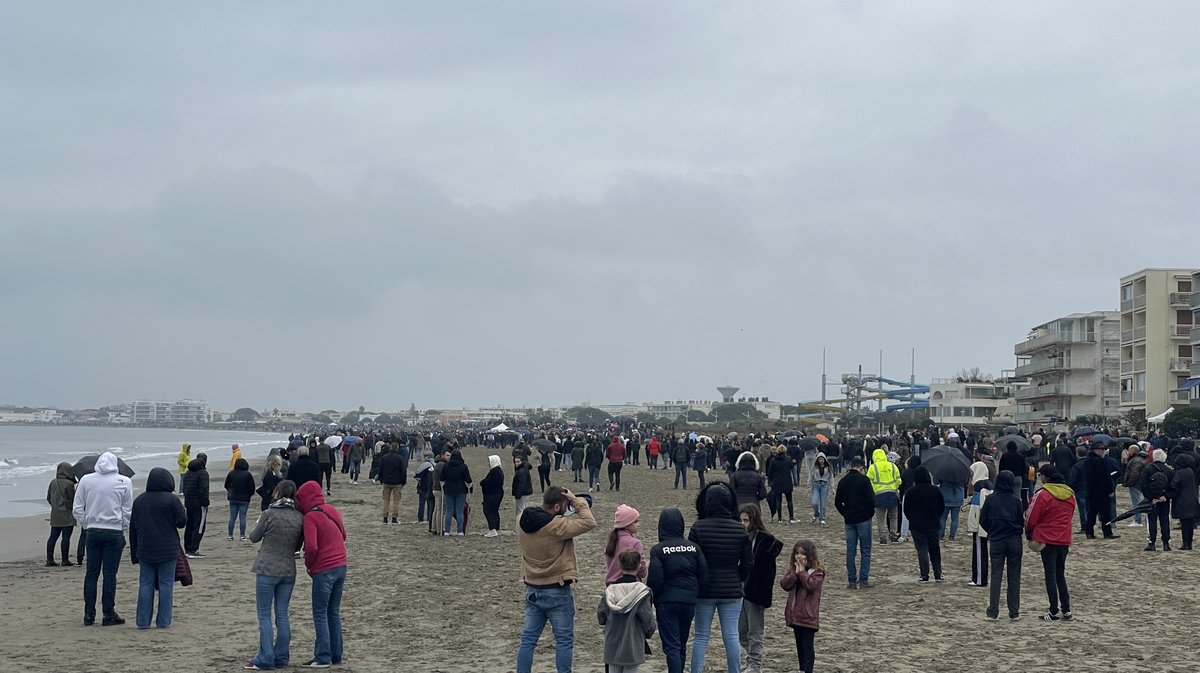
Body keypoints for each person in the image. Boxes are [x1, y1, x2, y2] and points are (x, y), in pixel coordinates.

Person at [516, 486, 597, 673]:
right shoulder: (557, 526)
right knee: (564, 641)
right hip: (557, 588)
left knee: (528, 640)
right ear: (558, 508)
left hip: (532, 587)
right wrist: (576, 500)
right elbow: (589, 521)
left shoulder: (521, 520)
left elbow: (540, 516)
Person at [688, 482, 753, 673]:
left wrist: (701, 580)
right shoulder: (739, 529)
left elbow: (692, 560)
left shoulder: (698, 528)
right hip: (732, 589)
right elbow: (749, 562)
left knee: (700, 636)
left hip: (705, 590)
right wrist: (738, 577)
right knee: (731, 636)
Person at [245, 479, 305, 670]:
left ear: (278, 493)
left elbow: (254, 537)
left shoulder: (269, 513)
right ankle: (281, 656)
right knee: (282, 614)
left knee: (264, 615)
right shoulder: (299, 517)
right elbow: (298, 545)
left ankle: (265, 657)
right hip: (288, 569)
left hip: (267, 568)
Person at [73, 451, 134, 626]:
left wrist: (87, 524)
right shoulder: (124, 481)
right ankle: (108, 613)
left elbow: (77, 508)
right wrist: (122, 528)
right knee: (110, 574)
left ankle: (89, 614)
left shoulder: (86, 480)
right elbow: (127, 511)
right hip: (114, 531)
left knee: (91, 574)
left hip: (92, 531)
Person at [647, 507, 708, 673]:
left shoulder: (658, 550)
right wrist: (695, 594)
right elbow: (703, 575)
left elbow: (655, 579)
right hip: (688, 601)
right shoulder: (694, 548)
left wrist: (653, 599)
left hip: (666, 602)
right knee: (681, 643)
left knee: (672, 646)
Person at [296, 480, 348, 668]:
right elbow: (343, 535)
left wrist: (309, 565)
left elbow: (311, 546)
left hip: (324, 569)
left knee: (319, 613)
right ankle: (336, 654)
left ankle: (323, 657)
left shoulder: (310, 516)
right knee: (333, 612)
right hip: (341, 565)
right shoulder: (331, 510)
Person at [128, 467, 186, 630]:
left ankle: (142, 621)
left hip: (145, 549)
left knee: (145, 584)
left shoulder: (139, 501)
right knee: (166, 585)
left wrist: (134, 554)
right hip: (168, 549)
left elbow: (133, 529)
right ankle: (163, 621)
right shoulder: (172, 500)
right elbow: (182, 522)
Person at [1025, 465, 1075, 621]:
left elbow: (1031, 517)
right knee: (1060, 574)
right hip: (1064, 538)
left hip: (1046, 538)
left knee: (1050, 574)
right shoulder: (1070, 494)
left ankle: (1053, 610)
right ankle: (1066, 609)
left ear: (1045, 477)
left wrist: (1029, 531)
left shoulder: (1043, 494)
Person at [738, 504, 782, 673]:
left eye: (746, 520)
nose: (742, 524)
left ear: (753, 521)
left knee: (755, 631)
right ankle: (750, 659)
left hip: (755, 592)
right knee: (741, 630)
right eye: (740, 520)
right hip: (739, 590)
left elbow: (769, 573)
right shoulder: (739, 538)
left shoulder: (765, 542)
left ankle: (755, 664)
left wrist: (764, 596)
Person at [597, 550, 656, 673]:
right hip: (633, 639)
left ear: (620, 565)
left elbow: (601, 616)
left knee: (613, 669)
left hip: (612, 639)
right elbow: (647, 618)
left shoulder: (610, 590)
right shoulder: (642, 592)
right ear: (639, 565)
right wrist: (649, 632)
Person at [979, 470, 1024, 620]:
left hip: (997, 540)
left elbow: (982, 520)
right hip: (1014, 540)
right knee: (1014, 577)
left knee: (996, 576)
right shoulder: (1016, 500)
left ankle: (993, 611)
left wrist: (992, 530)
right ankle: (1014, 611)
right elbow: (1021, 521)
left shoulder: (991, 499)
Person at [780, 539, 825, 673]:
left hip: (808, 617)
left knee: (807, 648)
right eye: (797, 553)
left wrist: (802, 573)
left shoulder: (817, 572)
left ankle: (807, 670)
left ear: (809, 555)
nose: (799, 557)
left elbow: (811, 586)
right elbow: (784, 584)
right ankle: (801, 669)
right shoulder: (794, 571)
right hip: (796, 616)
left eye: (803, 554)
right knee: (800, 646)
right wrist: (795, 573)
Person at [834, 456, 875, 589]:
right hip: (863, 518)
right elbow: (871, 500)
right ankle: (863, 580)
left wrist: (845, 513)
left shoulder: (843, 481)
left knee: (851, 550)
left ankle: (852, 580)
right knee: (866, 549)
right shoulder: (864, 480)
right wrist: (870, 513)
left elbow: (837, 502)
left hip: (849, 519)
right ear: (861, 467)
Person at [902, 466, 945, 583]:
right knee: (934, 549)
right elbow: (941, 507)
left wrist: (912, 519)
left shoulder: (911, 492)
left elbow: (906, 509)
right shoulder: (935, 490)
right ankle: (938, 573)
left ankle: (924, 574)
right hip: (933, 523)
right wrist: (936, 517)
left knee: (922, 549)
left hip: (917, 524)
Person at [1082, 439, 1119, 540]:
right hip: (1102, 492)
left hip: (1091, 490)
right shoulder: (1100, 461)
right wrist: (1110, 490)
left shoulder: (1087, 461)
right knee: (1105, 513)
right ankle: (1107, 532)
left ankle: (1089, 532)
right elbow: (1105, 478)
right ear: (1096, 450)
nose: (1103, 451)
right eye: (1102, 449)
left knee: (1092, 512)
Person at [604, 505, 648, 585]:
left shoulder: (611, 541)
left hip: (612, 587)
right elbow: (642, 572)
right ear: (627, 524)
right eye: (635, 522)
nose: (638, 524)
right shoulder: (635, 543)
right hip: (631, 586)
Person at [965, 462, 993, 587]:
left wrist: (976, 526)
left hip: (979, 524)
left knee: (979, 552)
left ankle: (979, 579)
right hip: (984, 523)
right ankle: (979, 578)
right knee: (981, 551)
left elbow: (980, 507)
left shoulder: (980, 486)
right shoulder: (988, 483)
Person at [1140, 449, 1173, 551]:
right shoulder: (1169, 471)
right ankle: (1166, 543)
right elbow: (1173, 487)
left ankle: (1151, 543)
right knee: (1165, 521)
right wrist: (1166, 496)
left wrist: (1151, 498)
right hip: (1164, 500)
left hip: (1151, 500)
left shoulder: (1147, 469)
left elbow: (1143, 486)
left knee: (1151, 521)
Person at [867, 448, 901, 544]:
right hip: (892, 493)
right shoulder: (892, 466)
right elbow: (899, 480)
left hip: (879, 495)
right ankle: (894, 535)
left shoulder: (873, 467)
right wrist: (894, 487)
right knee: (893, 517)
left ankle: (883, 537)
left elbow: (869, 481)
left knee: (880, 518)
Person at [46, 462, 77, 567]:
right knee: (66, 538)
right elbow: (73, 499)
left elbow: (48, 498)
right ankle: (65, 560)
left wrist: (55, 507)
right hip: (67, 514)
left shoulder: (52, 482)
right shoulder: (69, 484)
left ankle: (49, 560)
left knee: (53, 537)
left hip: (55, 514)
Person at [182, 453, 210, 559]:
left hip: (189, 503)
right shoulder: (203, 473)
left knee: (189, 525)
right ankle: (193, 549)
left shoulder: (188, 473)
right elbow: (204, 489)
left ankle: (187, 548)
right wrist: (205, 502)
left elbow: (185, 488)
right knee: (199, 526)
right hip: (199, 504)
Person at [1169, 453, 1197, 550]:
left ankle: (1185, 544)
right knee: (1190, 523)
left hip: (1182, 500)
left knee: (1184, 523)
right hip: (1192, 499)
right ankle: (1189, 543)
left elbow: (1174, 484)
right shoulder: (1190, 471)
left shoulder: (1180, 472)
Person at [441, 450, 472, 536]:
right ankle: (460, 531)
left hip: (449, 490)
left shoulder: (446, 466)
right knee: (459, 511)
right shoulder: (464, 466)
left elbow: (442, 478)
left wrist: (443, 485)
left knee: (449, 511)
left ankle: (447, 531)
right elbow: (468, 479)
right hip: (461, 490)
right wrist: (470, 486)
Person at [226, 458, 256, 541]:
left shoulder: (231, 474)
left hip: (233, 498)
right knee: (242, 517)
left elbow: (226, 485)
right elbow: (252, 487)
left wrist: (230, 492)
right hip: (244, 499)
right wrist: (249, 494)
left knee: (232, 517)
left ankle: (230, 535)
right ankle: (242, 535)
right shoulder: (248, 474)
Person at [766, 445, 796, 524]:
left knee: (778, 500)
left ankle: (779, 518)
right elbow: (791, 467)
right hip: (787, 481)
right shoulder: (788, 459)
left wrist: (770, 481)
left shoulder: (773, 460)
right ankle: (791, 517)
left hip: (776, 481)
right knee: (789, 500)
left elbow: (770, 472)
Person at [379, 444, 406, 526]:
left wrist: (381, 480)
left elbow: (380, 470)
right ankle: (394, 519)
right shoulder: (400, 458)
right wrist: (403, 482)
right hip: (397, 483)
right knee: (396, 501)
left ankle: (385, 519)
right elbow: (403, 471)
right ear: (397, 448)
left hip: (386, 482)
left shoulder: (384, 457)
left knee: (386, 501)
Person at [481, 455, 505, 538]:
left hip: (492, 494)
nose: (489, 463)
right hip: (497, 493)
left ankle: (492, 529)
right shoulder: (499, 470)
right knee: (494, 511)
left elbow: (489, 483)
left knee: (488, 511)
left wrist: (482, 482)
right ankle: (496, 528)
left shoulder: (494, 471)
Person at [809, 453, 832, 526]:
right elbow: (810, 476)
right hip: (816, 484)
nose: (820, 461)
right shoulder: (814, 467)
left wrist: (832, 487)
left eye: (822, 459)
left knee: (823, 503)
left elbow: (831, 478)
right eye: (819, 459)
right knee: (814, 502)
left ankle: (822, 518)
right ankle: (816, 513)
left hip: (824, 485)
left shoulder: (828, 467)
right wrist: (809, 486)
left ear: (825, 459)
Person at [511, 455, 534, 524]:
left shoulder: (521, 471)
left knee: (520, 509)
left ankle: (520, 523)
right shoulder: (524, 468)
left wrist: (518, 494)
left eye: (518, 462)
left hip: (522, 493)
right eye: (515, 462)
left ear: (522, 462)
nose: (516, 463)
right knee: (525, 508)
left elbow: (522, 483)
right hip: (527, 492)